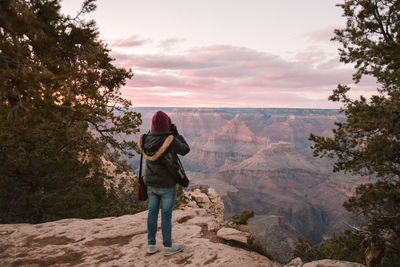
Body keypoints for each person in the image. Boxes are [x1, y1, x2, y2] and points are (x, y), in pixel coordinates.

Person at [138, 111, 190, 256]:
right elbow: (185, 150)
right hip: (167, 185)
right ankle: (167, 247)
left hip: (151, 184)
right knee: (166, 215)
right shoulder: (170, 139)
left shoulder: (145, 139)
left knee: (152, 213)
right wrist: (176, 134)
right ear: (167, 124)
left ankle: (151, 245)